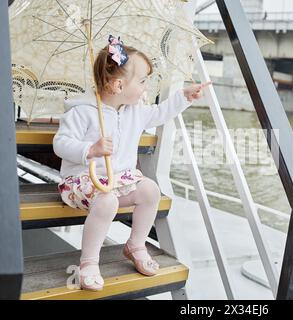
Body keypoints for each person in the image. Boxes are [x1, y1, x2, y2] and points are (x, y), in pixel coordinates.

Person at [53, 35, 210, 291]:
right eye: (142, 81)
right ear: (117, 85)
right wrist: (89, 149)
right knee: (107, 199)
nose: (146, 87)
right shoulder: (82, 111)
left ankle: (135, 244)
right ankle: (89, 263)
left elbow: (160, 114)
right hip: (83, 180)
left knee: (150, 190)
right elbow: (60, 143)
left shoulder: (134, 110)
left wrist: (184, 97)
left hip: (120, 179)